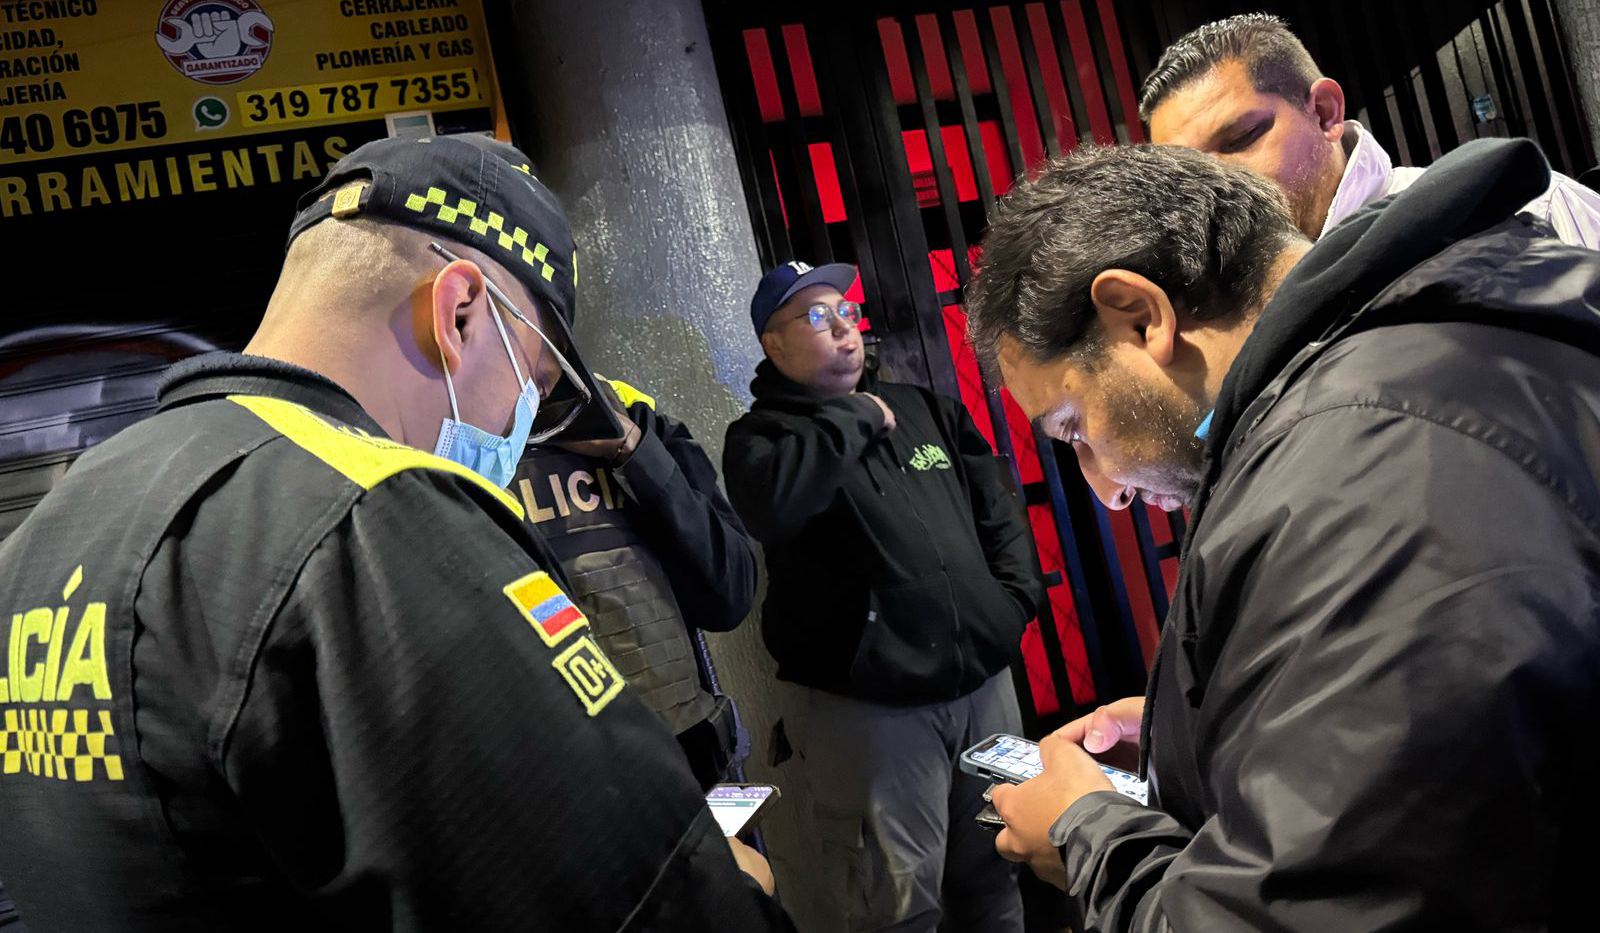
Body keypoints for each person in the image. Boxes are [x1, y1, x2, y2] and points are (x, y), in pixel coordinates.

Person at [0, 134, 790, 932]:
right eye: (534, 380)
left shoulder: (57, 525)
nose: (517, 424)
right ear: (460, 311)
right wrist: (737, 885)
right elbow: (646, 900)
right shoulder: (377, 522)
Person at [963, 138, 1600, 930]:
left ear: (1139, 316)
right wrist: (1212, 728)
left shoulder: (1358, 469)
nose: (1107, 488)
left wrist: (1088, 834)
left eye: (1074, 428)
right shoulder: (1435, 342)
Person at [722, 261, 1046, 932]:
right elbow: (774, 507)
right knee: (895, 908)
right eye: (816, 316)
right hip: (869, 710)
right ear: (773, 344)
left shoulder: (927, 410)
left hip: (982, 687)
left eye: (845, 309)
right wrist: (857, 416)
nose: (843, 326)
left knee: (998, 874)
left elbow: (999, 511)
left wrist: (1011, 603)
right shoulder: (762, 440)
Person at [1140, 12, 1600, 247]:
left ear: (1325, 112)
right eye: (1189, 174)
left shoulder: (1524, 211)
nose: (1215, 186)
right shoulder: (1228, 328)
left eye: (1241, 139)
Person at [513, 369, 758, 790]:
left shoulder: (627, 407)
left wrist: (634, 451)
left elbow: (730, 592)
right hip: (563, 786)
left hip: (689, 762)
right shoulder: (437, 436)